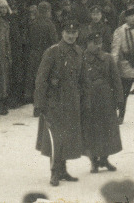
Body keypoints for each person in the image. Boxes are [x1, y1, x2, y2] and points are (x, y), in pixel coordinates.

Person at [34, 20, 86, 187]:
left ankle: (63, 170)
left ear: (77, 33)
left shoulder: (79, 52)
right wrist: (39, 103)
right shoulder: (53, 51)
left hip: (72, 102)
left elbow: (83, 79)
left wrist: (85, 100)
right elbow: (41, 79)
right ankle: (54, 172)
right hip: (55, 101)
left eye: (74, 32)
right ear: (62, 33)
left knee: (68, 136)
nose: (71, 36)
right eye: (67, 33)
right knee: (55, 137)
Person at [81, 32, 123, 174]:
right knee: (90, 129)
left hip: (105, 98)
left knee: (107, 129)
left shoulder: (108, 58)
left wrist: (118, 99)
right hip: (88, 98)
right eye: (94, 42)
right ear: (87, 44)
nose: (97, 46)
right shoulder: (82, 59)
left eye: (99, 42)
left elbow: (116, 79)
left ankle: (104, 158)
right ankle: (93, 161)